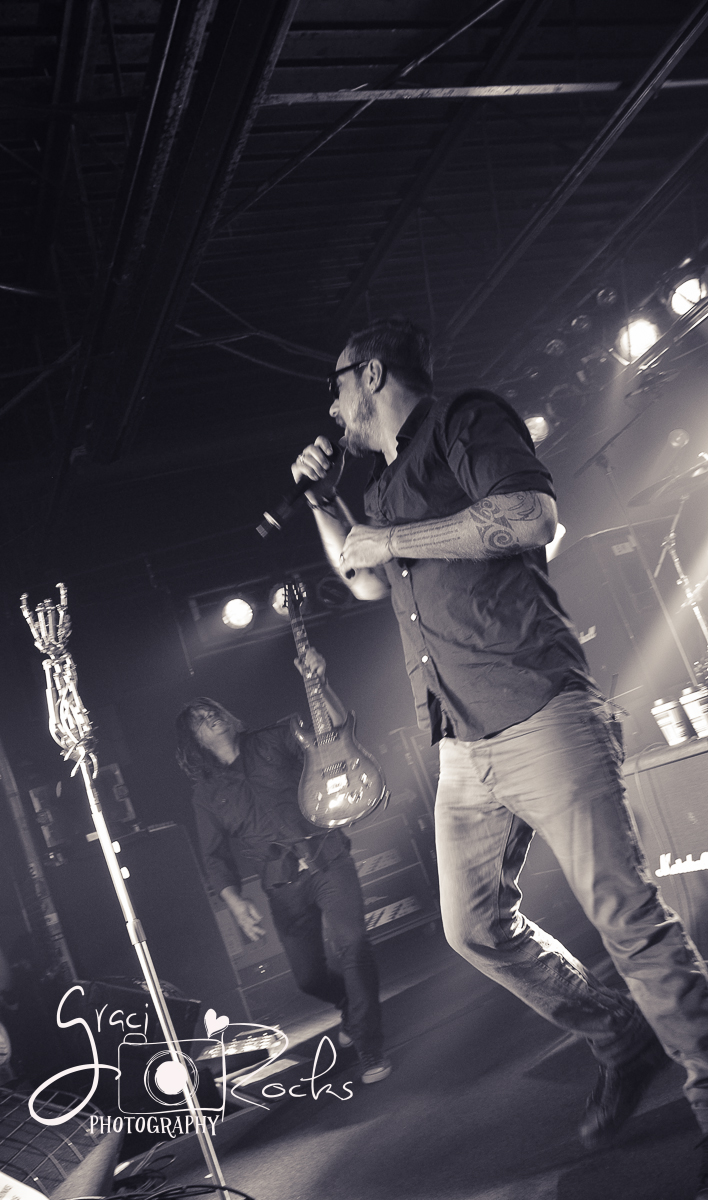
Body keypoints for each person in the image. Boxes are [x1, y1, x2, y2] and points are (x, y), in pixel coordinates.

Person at [292, 316, 708, 1189]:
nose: (331, 408)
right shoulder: (384, 483)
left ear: (371, 374)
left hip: (540, 706)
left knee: (626, 917)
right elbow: (364, 579)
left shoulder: (465, 420)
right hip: (462, 745)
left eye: (336, 386)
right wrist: (329, 505)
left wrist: (391, 538)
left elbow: (530, 516)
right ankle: (620, 1035)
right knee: (473, 927)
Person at [175, 647, 390, 1084]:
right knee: (308, 978)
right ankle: (349, 1007)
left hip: (328, 858)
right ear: (193, 740)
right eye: (199, 719)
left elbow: (337, 736)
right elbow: (213, 857)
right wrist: (235, 903)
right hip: (282, 884)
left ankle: (369, 1047)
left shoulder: (275, 738)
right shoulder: (206, 794)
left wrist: (320, 684)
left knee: (353, 946)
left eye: (211, 710)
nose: (209, 717)